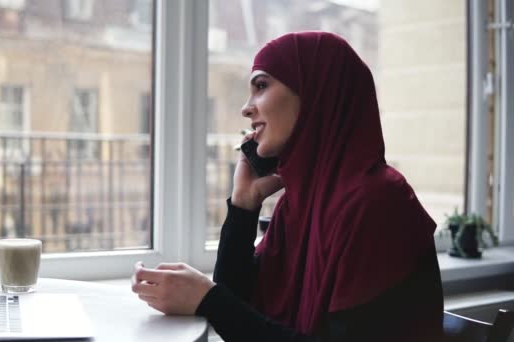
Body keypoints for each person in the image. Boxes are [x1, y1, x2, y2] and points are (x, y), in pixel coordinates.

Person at [131, 31, 444, 341]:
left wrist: (209, 299)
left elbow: (228, 309)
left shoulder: (379, 202)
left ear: (315, 94)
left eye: (262, 86)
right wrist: (244, 203)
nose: (246, 108)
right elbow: (239, 306)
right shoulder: (302, 202)